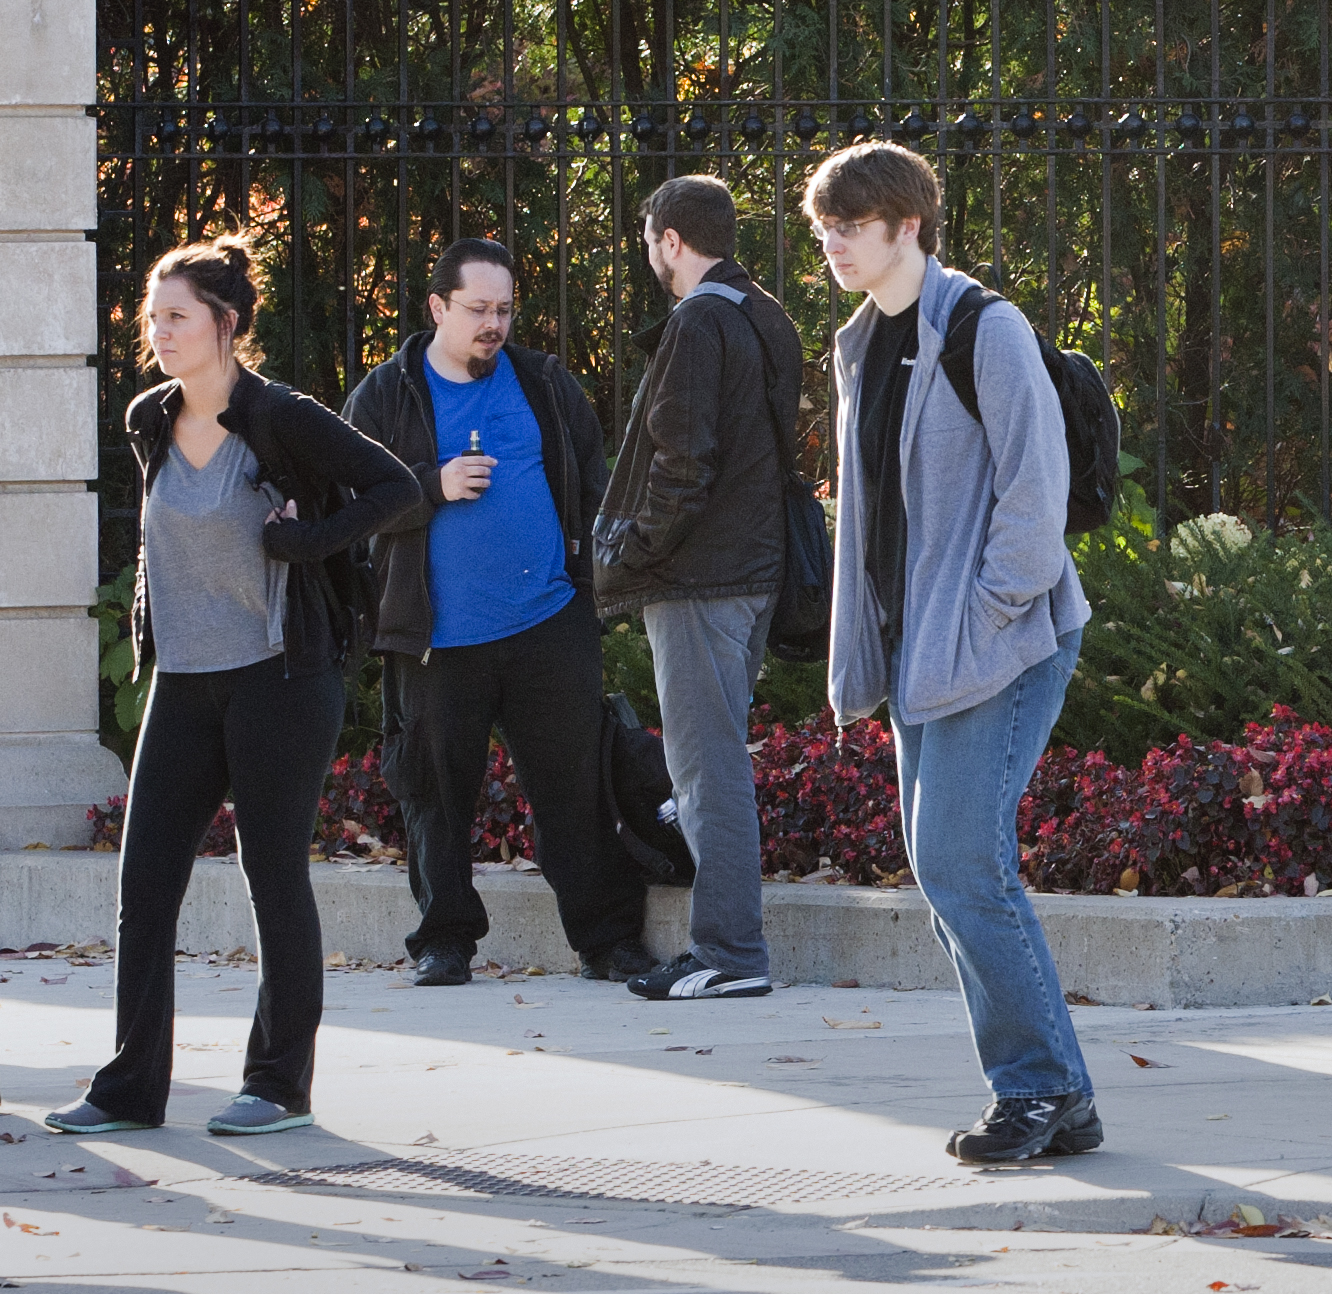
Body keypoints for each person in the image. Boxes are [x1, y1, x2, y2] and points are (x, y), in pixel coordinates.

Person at [49, 240, 418, 1138]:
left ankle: (278, 1084)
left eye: (176, 314)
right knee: (144, 884)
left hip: (279, 677)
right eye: (152, 314)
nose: (158, 329)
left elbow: (395, 486)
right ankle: (130, 1089)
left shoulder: (280, 416)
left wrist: (303, 542)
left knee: (272, 874)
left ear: (225, 321)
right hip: (183, 679)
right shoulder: (148, 419)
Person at [809, 140, 1098, 1165]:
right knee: (950, 872)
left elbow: (1036, 493)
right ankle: (1053, 1094)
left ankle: (1042, 1089)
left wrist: (986, 615)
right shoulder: (862, 343)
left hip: (999, 642)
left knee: (961, 862)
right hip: (918, 652)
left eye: (855, 224)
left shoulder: (986, 329)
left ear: (909, 226)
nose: (836, 241)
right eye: (826, 227)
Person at [342, 238, 652, 990]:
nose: (493, 324)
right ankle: (444, 941)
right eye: (478, 309)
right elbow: (347, 502)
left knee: (573, 788)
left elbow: (592, 480)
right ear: (438, 307)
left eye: (504, 309)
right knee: (436, 793)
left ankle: (606, 940)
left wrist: (590, 586)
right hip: (437, 636)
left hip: (548, 619)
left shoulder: (543, 381)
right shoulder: (387, 395)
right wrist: (431, 484)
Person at [594, 175, 806, 1002]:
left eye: (650, 239)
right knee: (713, 761)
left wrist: (635, 553)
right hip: (749, 571)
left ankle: (727, 951)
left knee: (705, 768)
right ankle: (727, 947)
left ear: (671, 240)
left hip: (698, 578)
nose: (649, 253)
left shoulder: (696, 320)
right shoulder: (767, 312)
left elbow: (683, 463)